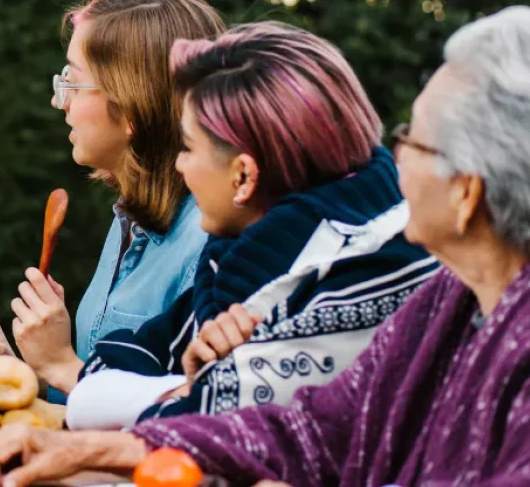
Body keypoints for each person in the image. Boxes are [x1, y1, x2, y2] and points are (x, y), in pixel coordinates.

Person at [0, 7, 530, 487]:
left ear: (466, 193)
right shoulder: (449, 298)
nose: (393, 157)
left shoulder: (411, 287)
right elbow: (313, 427)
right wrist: (97, 446)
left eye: (414, 141)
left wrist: (100, 394)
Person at [64, 22, 437, 429]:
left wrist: (191, 390)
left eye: (187, 147)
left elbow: (211, 433)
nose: (179, 165)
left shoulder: (364, 277)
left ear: (243, 176)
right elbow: (100, 379)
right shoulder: (243, 258)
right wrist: (186, 387)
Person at [0, 0, 222, 399]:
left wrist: (59, 363)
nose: (59, 102)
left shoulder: (209, 245)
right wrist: (23, 376)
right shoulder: (130, 219)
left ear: (131, 106)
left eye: (72, 84)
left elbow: (198, 413)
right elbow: (91, 398)